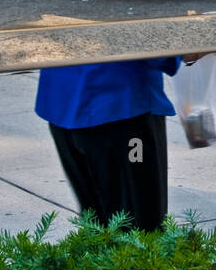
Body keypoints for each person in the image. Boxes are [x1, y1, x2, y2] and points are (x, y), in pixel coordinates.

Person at [36, 57, 184, 231]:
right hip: (122, 106)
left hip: (62, 100)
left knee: (95, 222)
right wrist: (183, 53)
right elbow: (155, 49)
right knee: (139, 224)